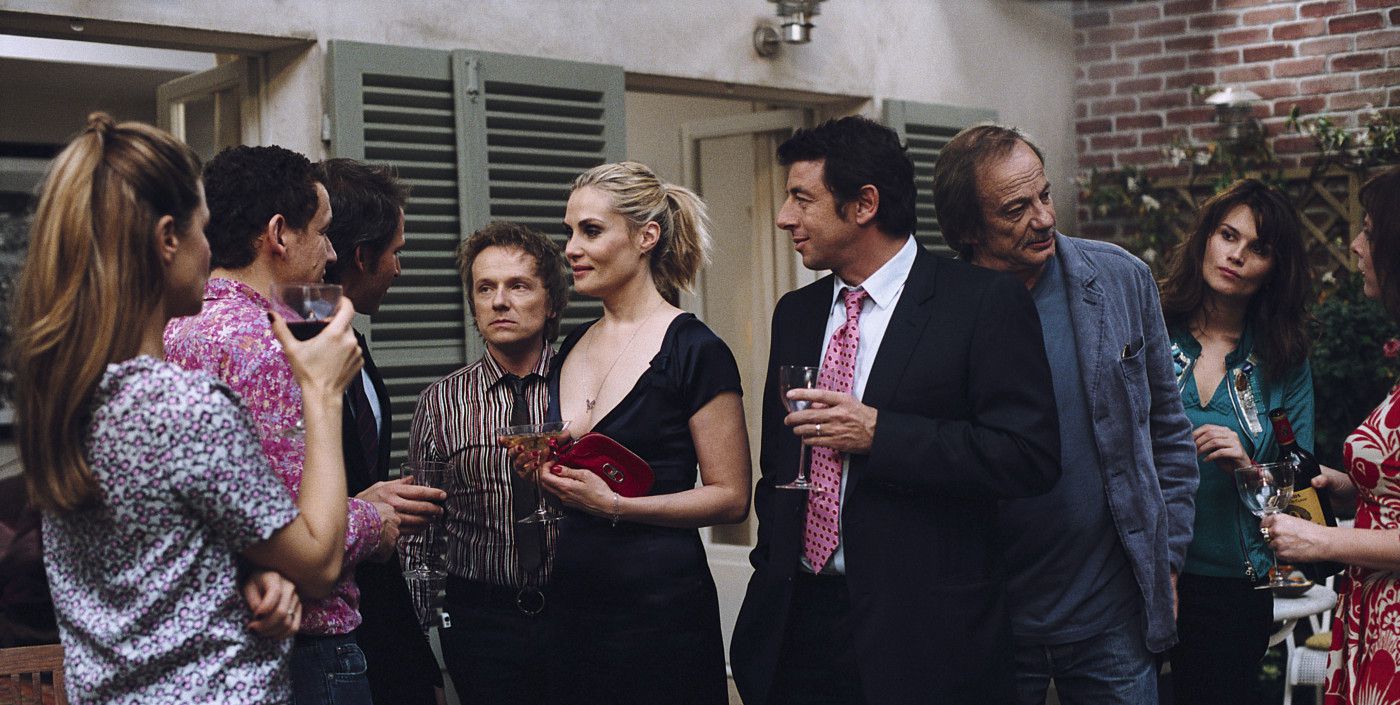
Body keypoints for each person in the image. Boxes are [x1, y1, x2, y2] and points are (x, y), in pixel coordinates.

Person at [12, 114, 362, 703]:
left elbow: (156, 555)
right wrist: (322, 392)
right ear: (168, 240)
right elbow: (320, 562)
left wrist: (249, 574)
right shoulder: (185, 408)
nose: (210, 249)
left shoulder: (66, 398)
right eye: (203, 228)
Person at [730, 116, 1061, 705]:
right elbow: (780, 466)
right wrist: (771, 566)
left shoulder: (981, 302)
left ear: (865, 205)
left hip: (925, 639)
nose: (784, 217)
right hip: (797, 629)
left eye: (802, 198)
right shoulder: (795, 313)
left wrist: (881, 434)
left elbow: (1028, 456)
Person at [933, 124, 1198, 705]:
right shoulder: (935, 312)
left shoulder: (1121, 278)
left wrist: (1168, 560)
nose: (1045, 218)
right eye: (1016, 209)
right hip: (992, 618)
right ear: (968, 229)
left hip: (1113, 616)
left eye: (1045, 195)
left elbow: (1169, 434)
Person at [164, 144, 402, 705]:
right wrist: (376, 520)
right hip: (303, 646)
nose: (331, 252)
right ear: (278, 233)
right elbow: (307, 544)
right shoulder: (266, 346)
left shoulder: (173, 328)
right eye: (323, 232)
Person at [535, 161, 750, 705]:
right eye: (569, 232)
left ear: (646, 237)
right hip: (573, 600)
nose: (571, 249)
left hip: (660, 609)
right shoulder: (572, 343)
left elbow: (731, 497)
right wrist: (545, 471)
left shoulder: (696, 350)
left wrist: (616, 506)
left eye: (591, 231)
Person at [1153, 179, 1315, 704]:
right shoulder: (1150, 330)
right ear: (1206, 237)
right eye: (1228, 235)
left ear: (1275, 269)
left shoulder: (1283, 359)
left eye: (1258, 248)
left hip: (1235, 585)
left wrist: (1249, 468)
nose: (1237, 255)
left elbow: (1304, 498)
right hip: (1142, 572)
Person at [404, 221, 570, 705]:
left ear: (551, 301)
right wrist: (418, 647)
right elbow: (420, 534)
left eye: (518, 286)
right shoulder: (440, 402)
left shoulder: (584, 385)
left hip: (581, 613)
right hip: (481, 621)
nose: (499, 301)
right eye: (485, 288)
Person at [1264, 165, 1400, 705]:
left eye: (1369, 231)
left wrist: (1321, 541)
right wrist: (1352, 487)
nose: (1356, 246)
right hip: (1377, 613)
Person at [318, 158, 445, 705]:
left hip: (379, 620)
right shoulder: (287, 348)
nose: (400, 269)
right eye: (395, 252)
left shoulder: (350, 339)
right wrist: (361, 508)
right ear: (362, 256)